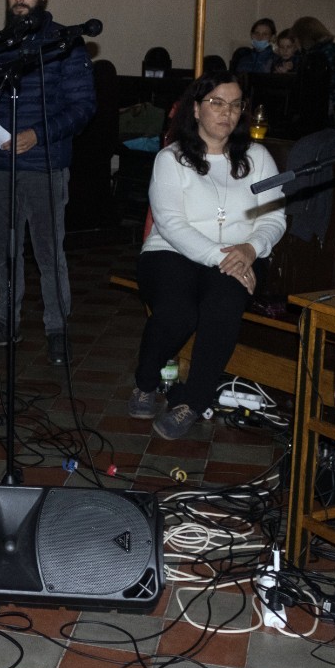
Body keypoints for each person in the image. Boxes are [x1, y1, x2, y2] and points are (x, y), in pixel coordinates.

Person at [130, 71, 287, 440]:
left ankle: (193, 402)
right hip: (171, 251)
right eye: (216, 103)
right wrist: (223, 257)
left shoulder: (258, 157)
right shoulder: (171, 158)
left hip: (240, 255)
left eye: (235, 105)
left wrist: (250, 248)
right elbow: (170, 223)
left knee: (223, 304)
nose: (226, 112)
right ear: (197, 109)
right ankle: (146, 381)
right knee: (177, 312)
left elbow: (274, 217)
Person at [0, 0, 96, 366]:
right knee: (5, 252)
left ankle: (56, 329)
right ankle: (7, 322)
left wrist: (38, 134)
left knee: (49, 254)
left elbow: (83, 107)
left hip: (44, 166)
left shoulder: (65, 44)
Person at [290, 16, 335, 120]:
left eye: (295, 39)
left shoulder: (323, 52)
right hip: (325, 103)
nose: (295, 43)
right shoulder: (324, 50)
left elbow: (316, 81)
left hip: (330, 104)